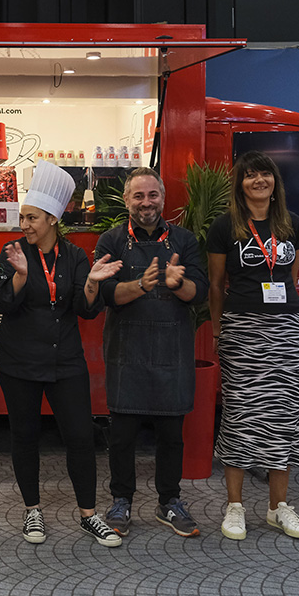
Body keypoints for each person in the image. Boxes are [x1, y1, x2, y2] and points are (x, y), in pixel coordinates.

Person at [0, 161, 123, 548]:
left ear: (52, 218)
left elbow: (84, 311)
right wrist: (18, 275)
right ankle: (32, 510)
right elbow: (2, 305)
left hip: (65, 360)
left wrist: (93, 286)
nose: (25, 225)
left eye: (32, 218)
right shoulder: (12, 253)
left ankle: (88, 514)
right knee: (25, 436)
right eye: (23, 218)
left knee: (81, 436)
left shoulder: (75, 257)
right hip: (18, 361)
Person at [96, 168, 208, 537]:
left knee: (171, 435)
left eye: (153, 195)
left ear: (163, 198)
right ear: (126, 200)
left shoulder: (185, 240)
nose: (146, 203)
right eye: (139, 196)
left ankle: (169, 501)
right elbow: (108, 295)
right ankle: (121, 500)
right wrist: (140, 285)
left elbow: (199, 293)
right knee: (122, 435)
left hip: (171, 352)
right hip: (127, 351)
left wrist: (179, 284)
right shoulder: (110, 241)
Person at [207, 150, 299, 540]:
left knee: (284, 413)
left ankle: (278, 508)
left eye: (264, 174)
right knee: (240, 412)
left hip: (286, 328)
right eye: (250, 176)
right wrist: (218, 331)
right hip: (242, 328)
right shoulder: (225, 227)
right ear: (240, 184)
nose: (258, 181)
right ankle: (235, 507)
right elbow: (216, 285)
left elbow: (290, 275)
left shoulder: (292, 225)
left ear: (274, 182)